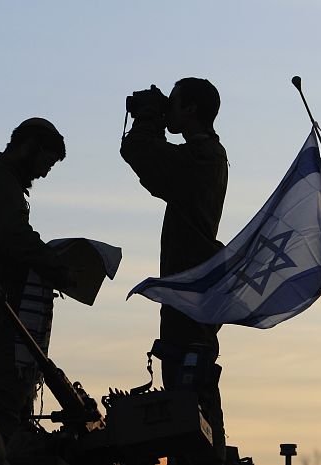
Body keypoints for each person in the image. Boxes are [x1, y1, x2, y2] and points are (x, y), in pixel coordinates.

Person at [120, 78, 228, 464]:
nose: (170, 109)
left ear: (191, 108)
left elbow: (140, 151)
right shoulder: (202, 154)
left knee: (190, 388)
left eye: (175, 102)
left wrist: (150, 115)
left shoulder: (203, 157)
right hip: (189, 289)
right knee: (182, 387)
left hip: (192, 291)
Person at [0, 117, 74, 445]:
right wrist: (52, 265)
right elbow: (12, 235)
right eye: (46, 162)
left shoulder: (3, 182)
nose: (45, 173)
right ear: (29, 148)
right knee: (3, 395)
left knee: (16, 397)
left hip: (6, 298)